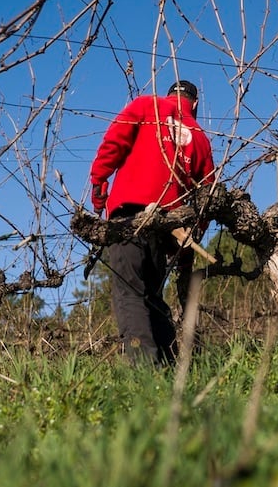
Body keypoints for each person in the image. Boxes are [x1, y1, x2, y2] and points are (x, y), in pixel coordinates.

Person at [89, 80, 216, 364]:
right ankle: (170, 368)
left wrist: (99, 189)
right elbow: (208, 197)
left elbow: (113, 144)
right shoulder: (200, 137)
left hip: (129, 217)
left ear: (169, 95)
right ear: (194, 104)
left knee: (130, 293)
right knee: (153, 298)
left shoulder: (147, 105)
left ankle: (144, 373)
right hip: (166, 225)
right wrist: (186, 249)